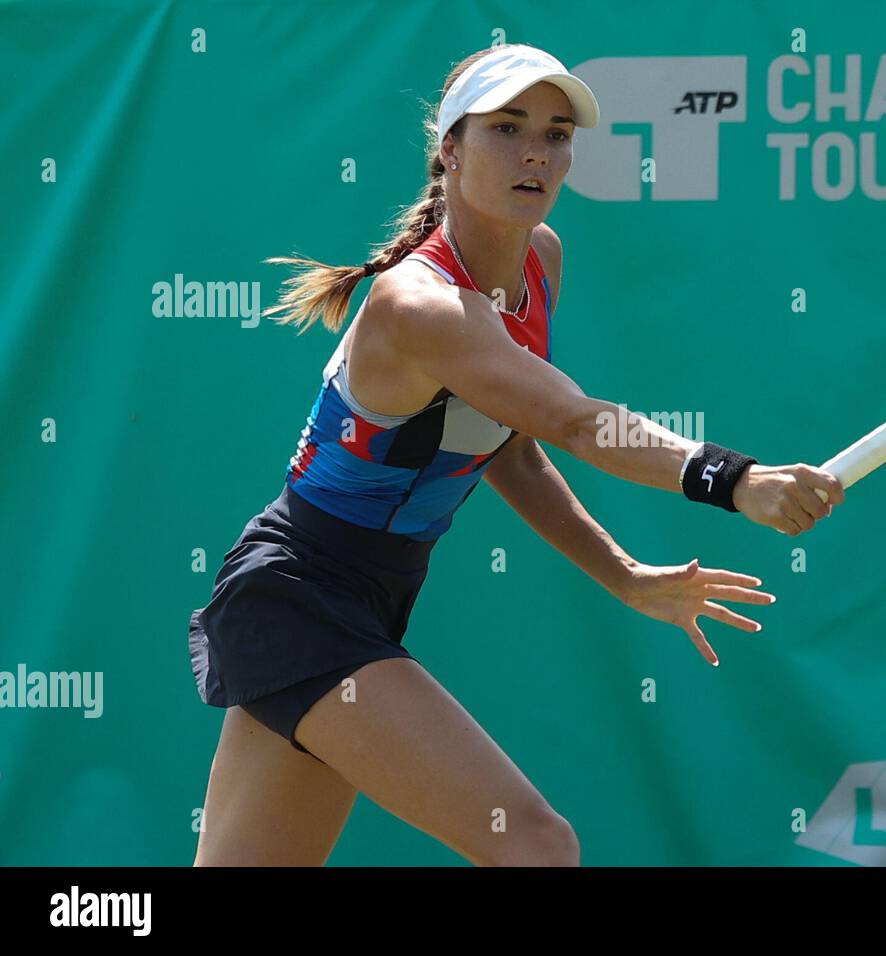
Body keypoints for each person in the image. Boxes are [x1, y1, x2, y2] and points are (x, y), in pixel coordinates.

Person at [188, 43, 844, 867]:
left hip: (355, 597)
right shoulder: (419, 305)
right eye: (506, 128)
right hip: (296, 596)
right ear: (450, 150)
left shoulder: (540, 260)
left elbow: (512, 449)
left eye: (556, 132)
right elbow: (575, 422)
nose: (537, 151)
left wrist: (626, 575)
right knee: (535, 845)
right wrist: (733, 478)